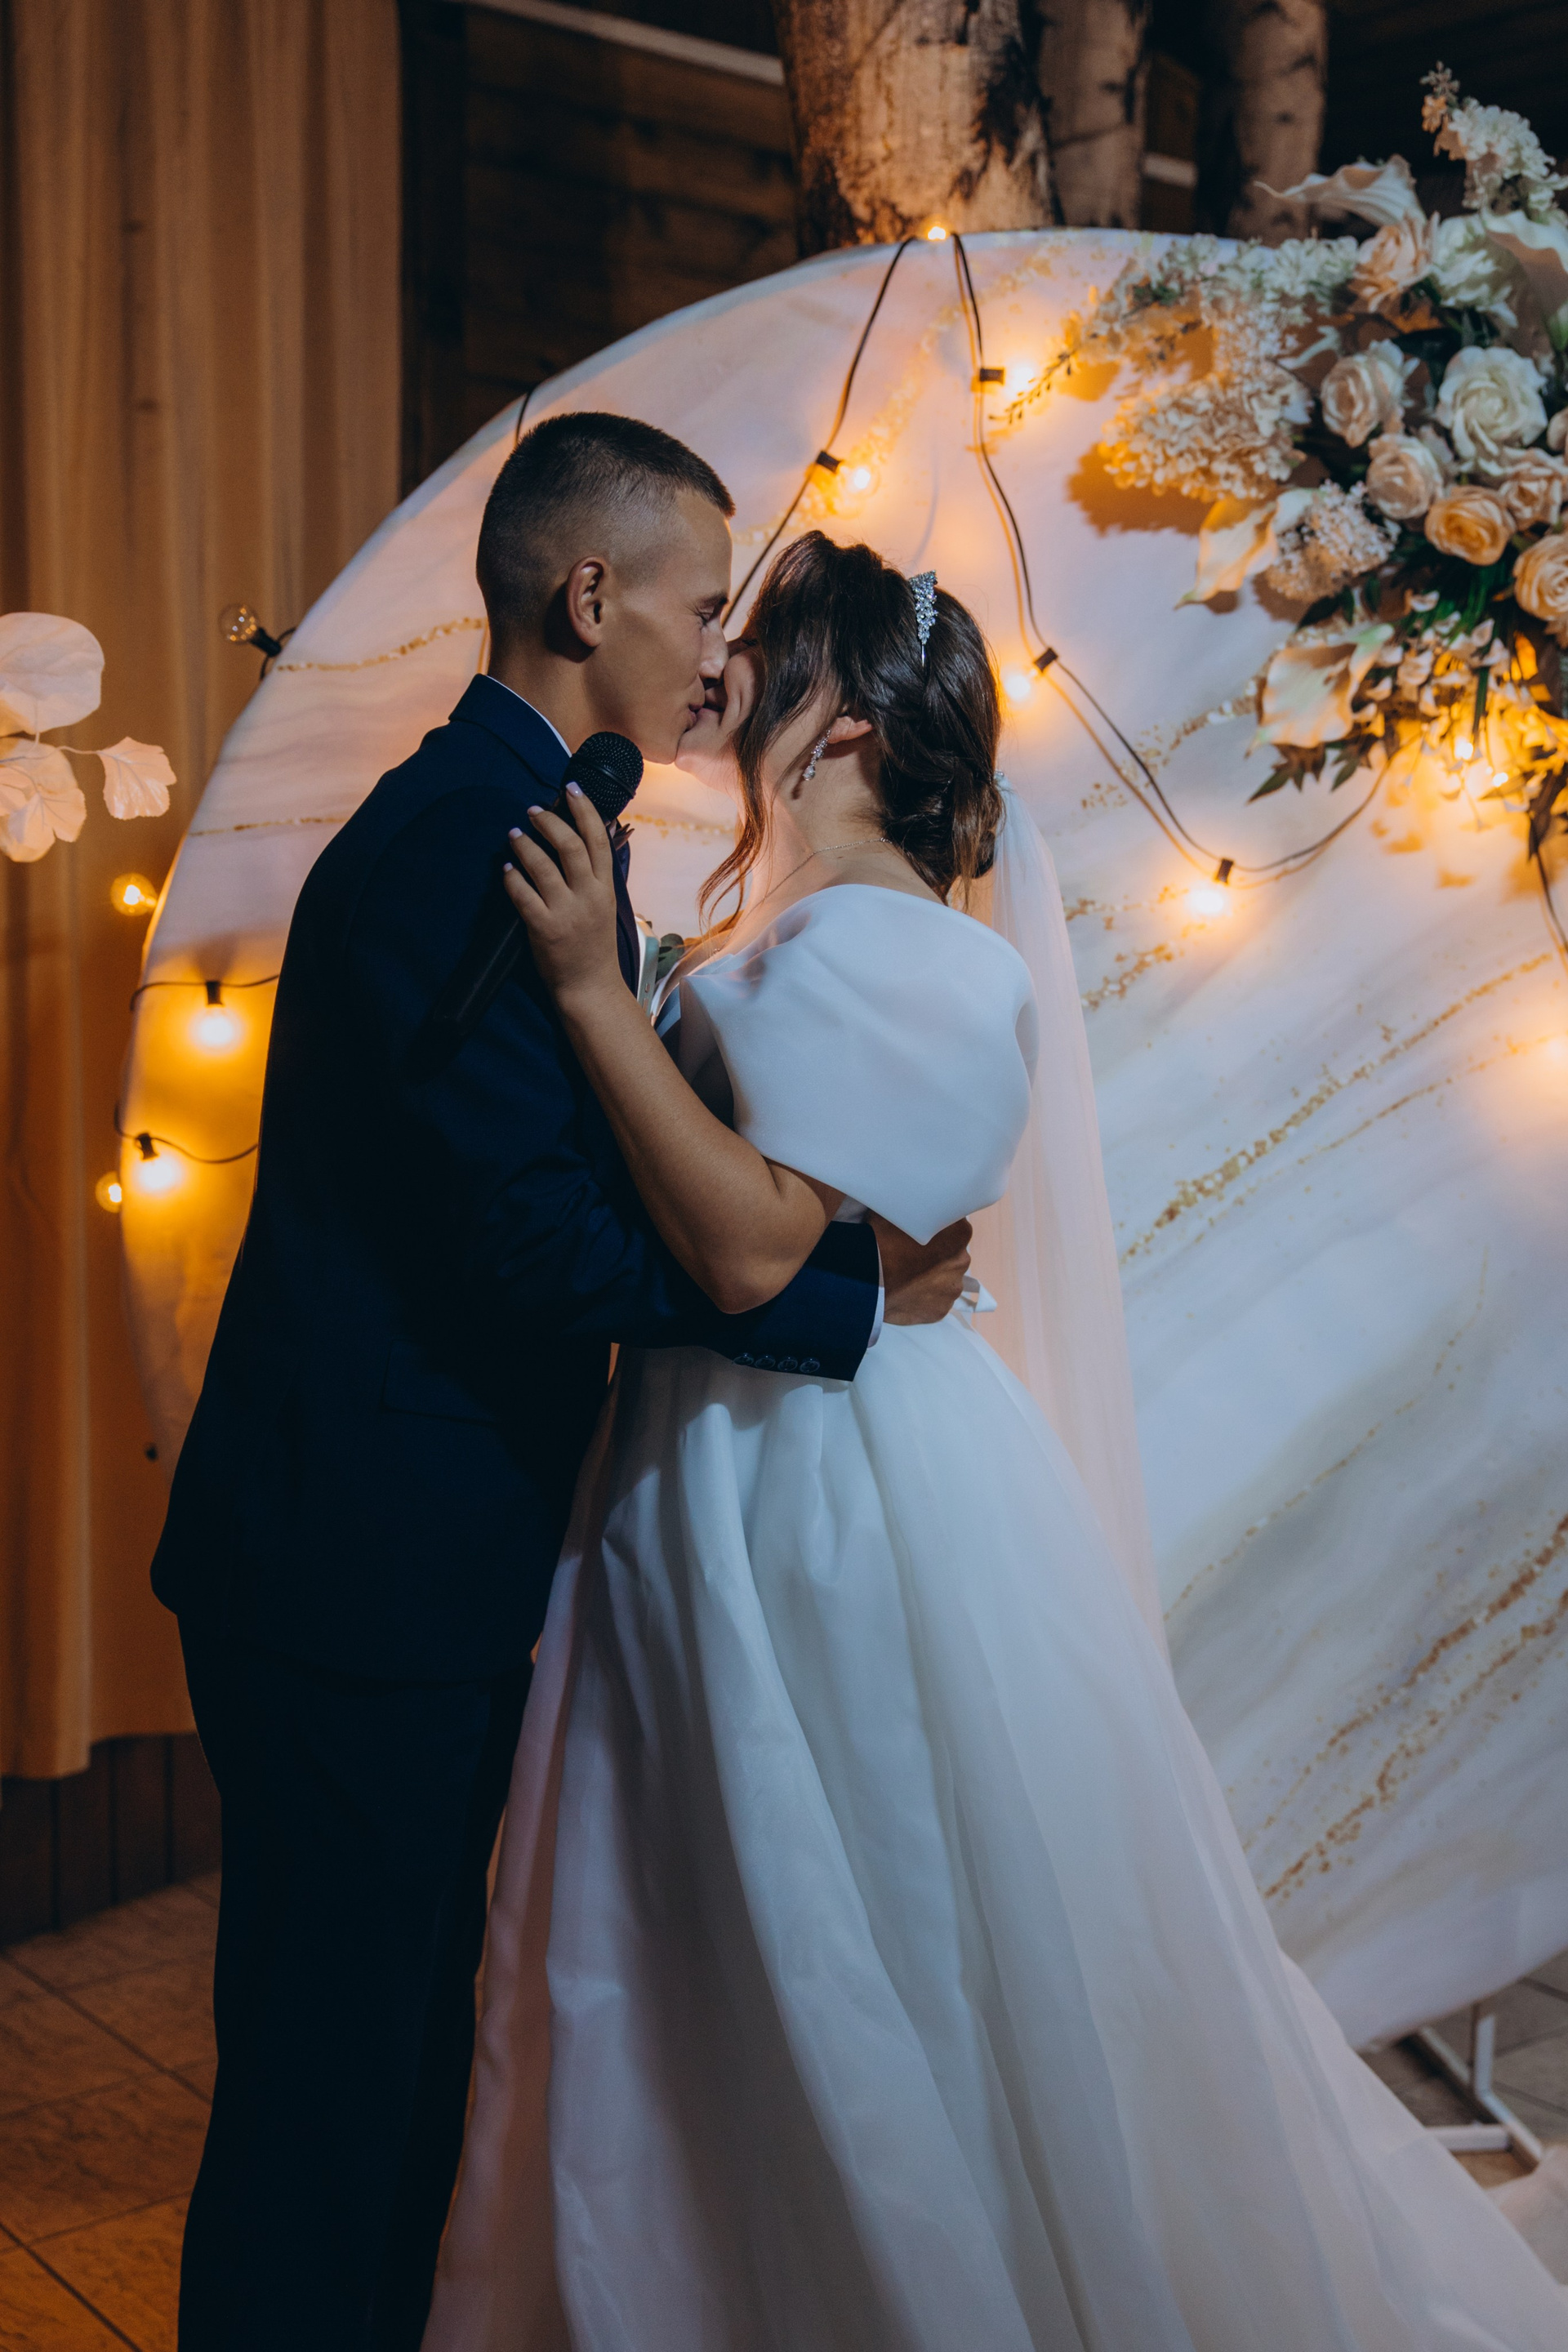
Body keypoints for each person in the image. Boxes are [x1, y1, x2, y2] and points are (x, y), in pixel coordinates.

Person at [423, 530, 1568, 2350]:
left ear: (851, 724)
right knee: (744, 1927)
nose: (723, 671)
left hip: (800, 1488)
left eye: (762, 644)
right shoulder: (823, 937)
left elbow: (747, 1249)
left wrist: (591, 995)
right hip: (765, 1451)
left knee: (828, 1916)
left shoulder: (886, 957)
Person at [149, 421, 970, 2352]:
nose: (720, 656)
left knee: (373, 2068)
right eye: (702, 605)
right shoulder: (473, 845)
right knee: (335, 2105)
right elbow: (528, 1243)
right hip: (359, 1569)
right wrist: (835, 1291)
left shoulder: (514, 811)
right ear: (589, 597)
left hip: (368, 1549)